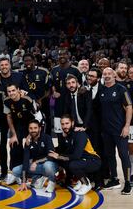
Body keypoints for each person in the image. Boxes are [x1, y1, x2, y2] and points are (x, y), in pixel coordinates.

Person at [49, 115, 101, 195]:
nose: (64, 126)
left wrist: (59, 156)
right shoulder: (67, 135)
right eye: (62, 124)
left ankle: (86, 184)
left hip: (93, 160)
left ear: (72, 123)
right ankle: (80, 180)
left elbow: (76, 156)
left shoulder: (80, 134)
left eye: (67, 123)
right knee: (63, 160)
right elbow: (64, 152)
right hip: (82, 160)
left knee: (72, 164)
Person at [100, 67, 132, 195]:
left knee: (124, 156)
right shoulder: (101, 91)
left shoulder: (121, 89)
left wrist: (127, 126)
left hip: (119, 130)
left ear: (114, 75)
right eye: (104, 74)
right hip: (106, 131)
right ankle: (114, 179)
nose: (107, 76)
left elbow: (129, 107)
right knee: (110, 156)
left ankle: (128, 182)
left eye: (109, 74)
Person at [10, 120, 57, 193]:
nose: (33, 130)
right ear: (28, 129)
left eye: (35, 128)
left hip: (48, 164)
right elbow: (25, 161)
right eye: (31, 128)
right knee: (15, 171)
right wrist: (23, 181)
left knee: (48, 166)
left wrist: (36, 162)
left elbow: (51, 156)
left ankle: (52, 181)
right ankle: (38, 177)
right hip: (36, 167)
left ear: (40, 128)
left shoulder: (47, 138)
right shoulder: (28, 142)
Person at [4, 84, 38, 184]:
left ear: (18, 90)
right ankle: (15, 174)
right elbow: (9, 118)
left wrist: (30, 136)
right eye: (9, 91)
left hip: (33, 126)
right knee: (14, 145)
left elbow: (37, 117)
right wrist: (14, 135)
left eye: (13, 90)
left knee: (30, 149)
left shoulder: (27, 99)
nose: (11, 93)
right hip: (18, 126)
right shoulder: (7, 101)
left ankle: (34, 175)